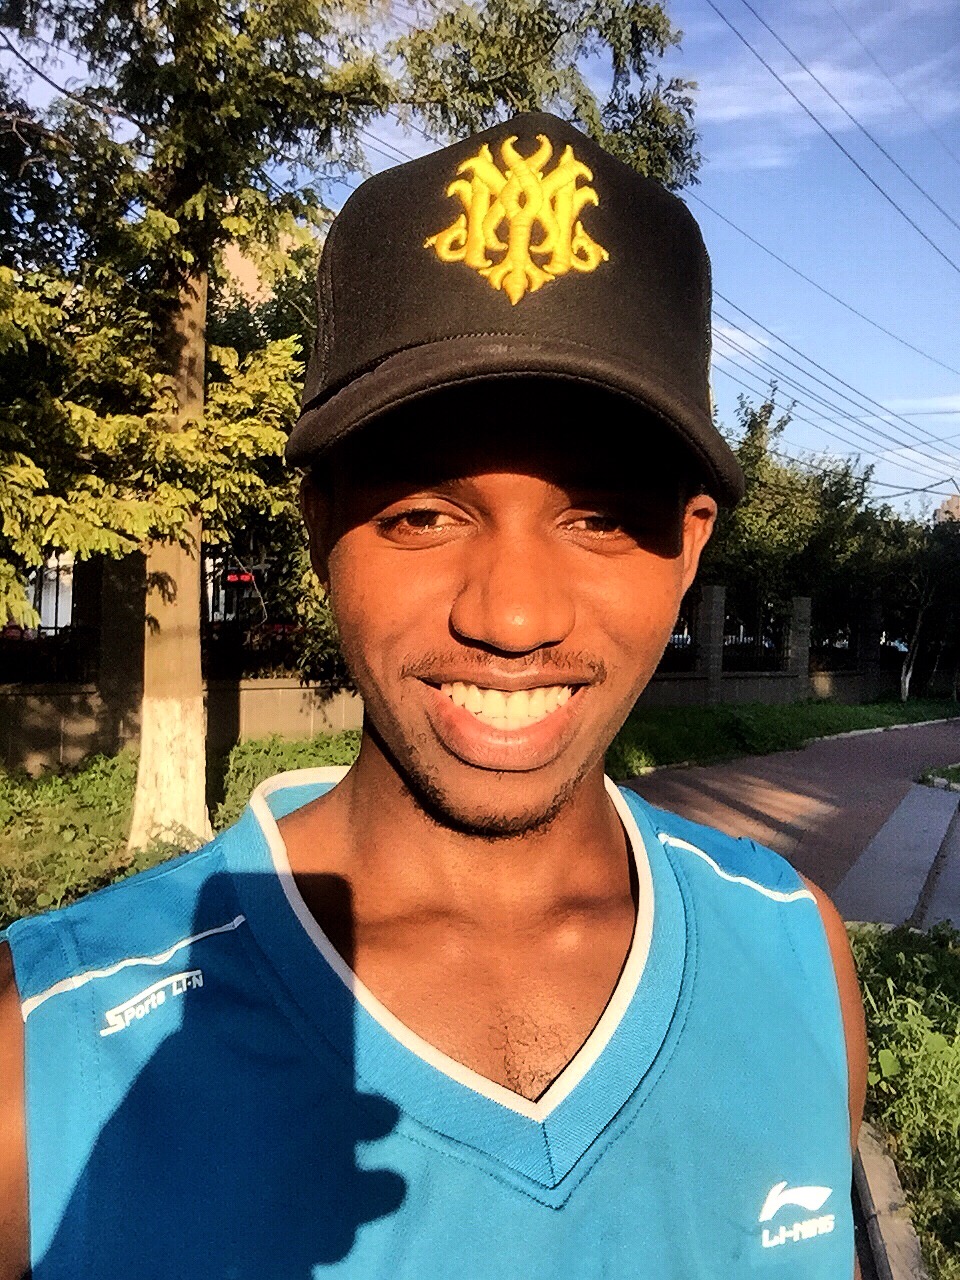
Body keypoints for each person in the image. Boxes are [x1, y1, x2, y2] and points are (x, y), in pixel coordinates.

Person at [0, 112, 866, 1278]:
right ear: (321, 529)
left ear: (690, 545)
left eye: (599, 518)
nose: (511, 616)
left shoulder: (795, 956)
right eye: (421, 514)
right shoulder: (47, 1052)